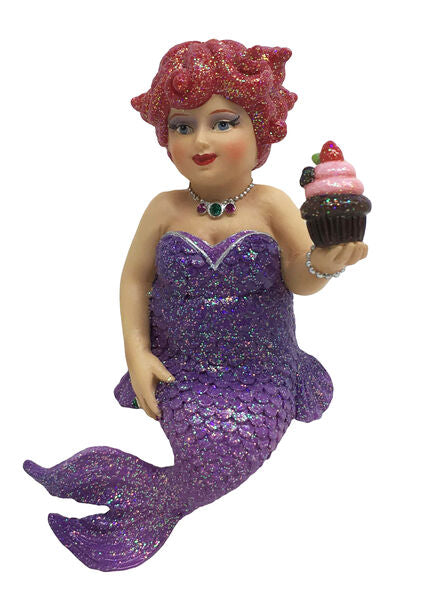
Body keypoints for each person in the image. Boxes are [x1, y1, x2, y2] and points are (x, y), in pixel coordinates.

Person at [23, 39, 368, 572]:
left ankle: (153, 503)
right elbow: (134, 280)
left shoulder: (273, 204)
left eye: (223, 122)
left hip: (263, 378)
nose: (200, 140)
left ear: (261, 128)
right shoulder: (164, 208)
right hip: (181, 375)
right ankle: (138, 499)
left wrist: (324, 262)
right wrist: (137, 353)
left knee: (220, 459)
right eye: (183, 126)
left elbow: (299, 278)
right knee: (198, 456)